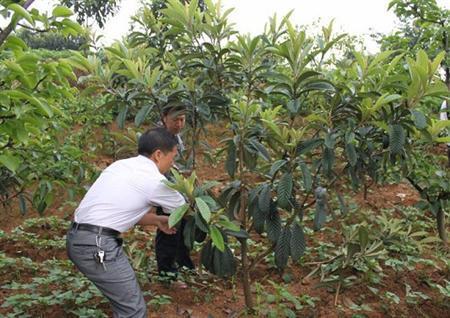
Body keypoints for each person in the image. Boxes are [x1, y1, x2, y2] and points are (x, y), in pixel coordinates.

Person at [66, 128, 185, 318]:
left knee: (126, 306)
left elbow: (113, 211)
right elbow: (183, 208)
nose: (172, 164)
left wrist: (155, 220)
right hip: (96, 245)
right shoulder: (154, 180)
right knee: (132, 310)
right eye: (172, 158)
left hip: (80, 238)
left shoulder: (120, 166)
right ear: (158, 154)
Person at [155, 103, 195, 286]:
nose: (179, 124)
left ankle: (183, 264)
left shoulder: (176, 137)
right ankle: (167, 274)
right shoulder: (158, 139)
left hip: (178, 190)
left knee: (183, 227)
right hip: (164, 190)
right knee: (168, 230)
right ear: (164, 118)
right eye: (175, 120)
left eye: (182, 119)